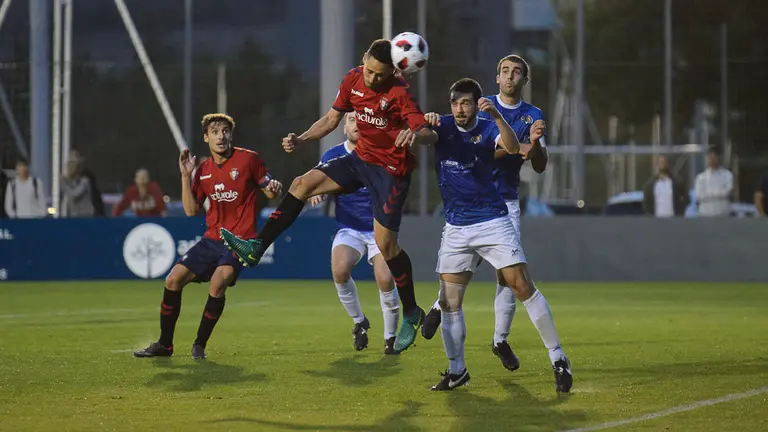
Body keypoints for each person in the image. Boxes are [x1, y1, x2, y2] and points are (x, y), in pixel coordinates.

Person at [219, 39, 438, 354]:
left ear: (393, 70)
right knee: (301, 184)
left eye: (381, 74)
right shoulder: (352, 77)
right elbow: (332, 118)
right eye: (370, 71)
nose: (374, 78)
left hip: (390, 171)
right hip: (360, 160)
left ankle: (412, 312)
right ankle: (257, 247)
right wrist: (303, 138)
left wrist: (415, 134)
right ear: (363, 59)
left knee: (387, 245)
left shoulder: (399, 91)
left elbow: (429, 134)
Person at [423, 78, 571, 392]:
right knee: (450, 302)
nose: (460, 109)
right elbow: (420, 138)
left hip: (492, 221)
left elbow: (514, 147)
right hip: (456, 227)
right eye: (455, 103)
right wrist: (423, 122)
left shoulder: (489, 127)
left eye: (465, 103)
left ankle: (558, 357)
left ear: (477, 104)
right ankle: (457, 371)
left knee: (521, 285)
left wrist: (499, 117)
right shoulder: (445, 126)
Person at [134, 113, 282, 360]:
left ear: (231, 135)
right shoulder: (202, 170)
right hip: (211, 239)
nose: (221, 136)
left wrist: (273, 188)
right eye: (215, 132)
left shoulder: (249, 159)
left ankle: (199, 345)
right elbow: (191, 210)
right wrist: (185, 176)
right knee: (172, 280)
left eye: (225, 131)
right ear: (206, 138)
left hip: (241, 242)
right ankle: (165, 345)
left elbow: (269, 192)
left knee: (218, 281)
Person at [309, 113, 399, 354]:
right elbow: (319, 182)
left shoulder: (380, 152)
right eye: (350, 119)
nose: (356, 123)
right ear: (343, 127)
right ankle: (360, 322)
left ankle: (390, 338)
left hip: (379, 228)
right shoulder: (333, 155)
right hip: (349, 228)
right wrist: (318, 192)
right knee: (339, 269)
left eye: (361, 118)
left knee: (385, 278)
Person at [694, 146, 733, 217]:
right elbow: (699, 195)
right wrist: (718, 194)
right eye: (710, 157)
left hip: (722, 213)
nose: (712, 159)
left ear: (719, 157)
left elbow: (727, 192)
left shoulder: (727, 175)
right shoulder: (701, 177)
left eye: (714, 156)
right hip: (705, 214)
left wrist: (709, 195)